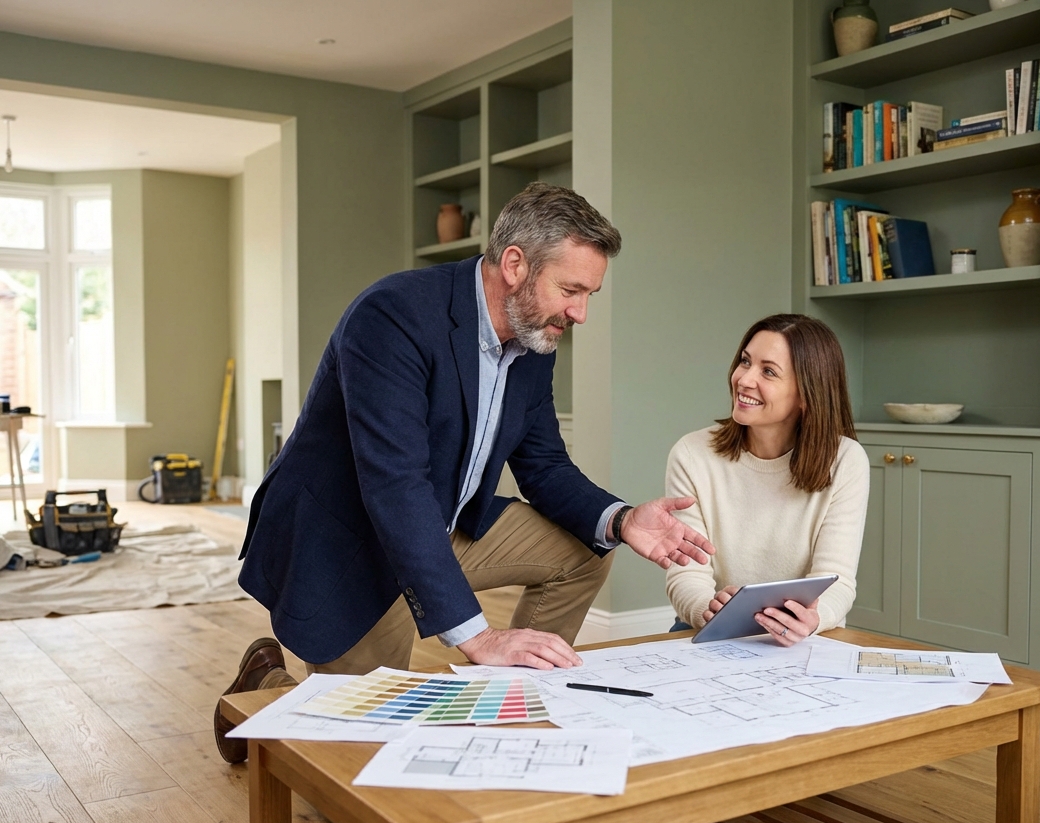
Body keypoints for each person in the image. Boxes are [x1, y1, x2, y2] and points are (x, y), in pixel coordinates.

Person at [215, 183, 715, 762]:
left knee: (587, 548)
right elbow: (395, 485)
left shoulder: (532, 341)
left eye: (589, 294)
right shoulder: (393, 316)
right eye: (571, 290)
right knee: (360, 760)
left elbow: (544, 464)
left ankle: (509, 696)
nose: (580, 313)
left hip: (442, 524)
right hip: (348, 544)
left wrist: (623, 520)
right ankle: (265, 687)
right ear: (514, 265)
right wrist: (479, 636)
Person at [664, 313, 869, 645]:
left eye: (768, 371)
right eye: (745, 361)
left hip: (806, 637)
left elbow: (838, 580)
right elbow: (687, 573)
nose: (744, 379)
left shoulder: (845, 460)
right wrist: (709, 609)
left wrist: (812, 620)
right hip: (711, 631)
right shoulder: (691, 454)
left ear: (807, 394)